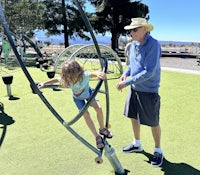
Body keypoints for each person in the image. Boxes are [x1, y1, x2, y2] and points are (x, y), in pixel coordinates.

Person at [116, 17, 163, 167]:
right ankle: (137, 144)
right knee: (133, 117)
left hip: (148, 91)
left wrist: (126, 83)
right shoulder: (133, 45)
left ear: (145, 29)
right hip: (134, 89)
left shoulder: (153, 45)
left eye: (135, 29)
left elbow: (149, 72)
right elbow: (132, 66)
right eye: (130, 30)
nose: (131, 32)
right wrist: (125, 74)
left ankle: (158, 150)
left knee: (153, 122)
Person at [38, 60, 113, 149]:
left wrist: (99, 74)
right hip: (78, 99)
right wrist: (44, 83)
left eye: (74, 76)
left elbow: (93, 73)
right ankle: (97, 136)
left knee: (99, 108)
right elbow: (55, 80)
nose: (72, 79)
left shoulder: (84, 75)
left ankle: (102, 129)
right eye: (69, 77)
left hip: (89, 94)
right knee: (86, 115)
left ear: (79, 72)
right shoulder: (66, 79)